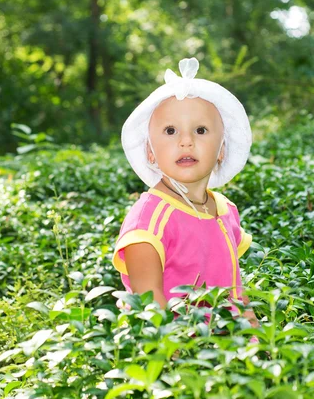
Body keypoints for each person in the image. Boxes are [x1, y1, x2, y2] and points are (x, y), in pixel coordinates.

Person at [111, 57, 260, 336]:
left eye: (201, 130)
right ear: (150, 151)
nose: (186, 141)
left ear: (222, 149)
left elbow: (235, 290)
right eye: (170, 131)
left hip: (226, 349)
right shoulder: (148, 221)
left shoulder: (225, 210)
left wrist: (255, 337)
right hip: (176, 352)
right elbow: (149, 305)